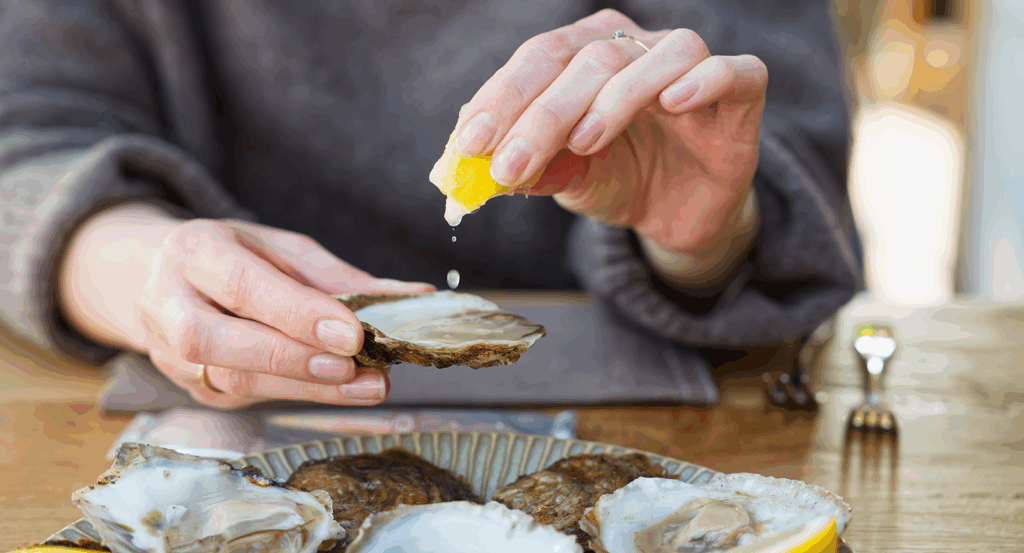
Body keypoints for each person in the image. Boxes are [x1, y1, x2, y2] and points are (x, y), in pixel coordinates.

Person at [0, 1, 861, 410]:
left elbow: (789, 151)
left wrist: (702, 236)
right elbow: (24, 143)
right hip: (208, 433)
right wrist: (146, 270)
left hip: (651, 430)